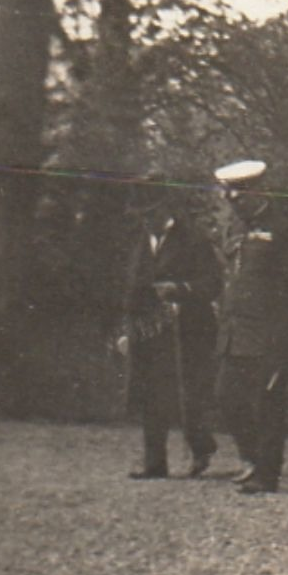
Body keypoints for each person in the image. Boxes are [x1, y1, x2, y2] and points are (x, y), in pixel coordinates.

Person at [115, 173, 222, 480]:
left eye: (151, 213)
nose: (146, 221)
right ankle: (155, 462)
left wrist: (180, 289)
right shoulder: (140, 243)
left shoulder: (193, 240)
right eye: (141, 215)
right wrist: (127, 329)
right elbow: (131, 290)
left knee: (189, 394)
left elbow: (213, 283)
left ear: (165, 209)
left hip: (189, 329)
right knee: (151, 392)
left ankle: (201, 449)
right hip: (151, 330)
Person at [212, 159, 288, 494]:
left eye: (240, 196)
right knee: (226, 398)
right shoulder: (235, 227)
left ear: (257, 191)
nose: (234, 203)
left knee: (268, 404)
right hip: (235, 330)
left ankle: (267, 472)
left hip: (268, 333)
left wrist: (284, 343)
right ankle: (250, 457)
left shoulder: (283, 229)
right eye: (230, 197)